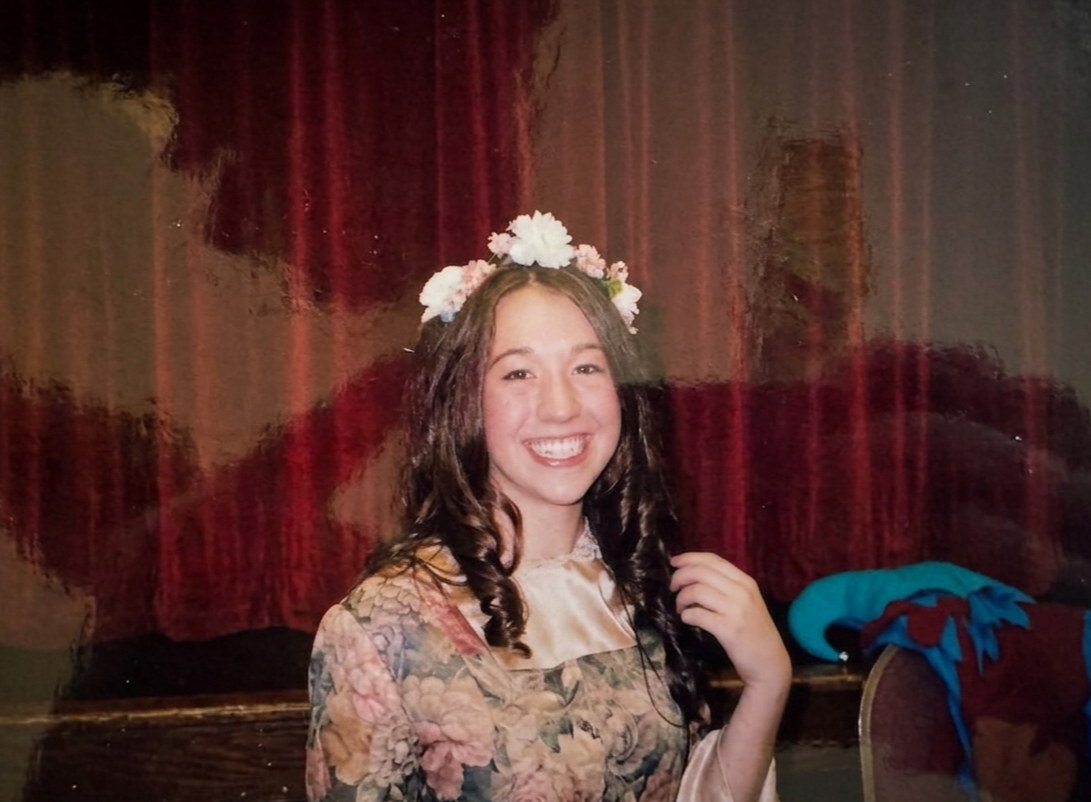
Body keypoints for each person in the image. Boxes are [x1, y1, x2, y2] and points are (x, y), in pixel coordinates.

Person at [306, 211, 791, 802]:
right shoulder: (381, 628)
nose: (561, 406)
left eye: (587, 366)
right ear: (462, 400)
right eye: (518, 373)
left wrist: (768, 682)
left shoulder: (640, 582)